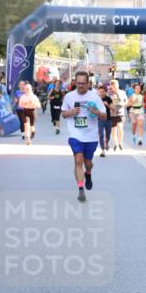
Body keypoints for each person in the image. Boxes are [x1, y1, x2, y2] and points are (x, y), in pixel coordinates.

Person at [61, 71, 107, 202]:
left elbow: (105, 116)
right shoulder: (69, 97)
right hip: (75, 134)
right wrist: (72, 112)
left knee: (88, 163)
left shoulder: (94, 97)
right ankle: (81, 189)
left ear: (88, 83)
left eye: (83, 83)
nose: (80, 86)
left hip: (91, 136)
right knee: (78, 160)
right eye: (78, 83)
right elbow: (63, 114)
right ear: (75, 82)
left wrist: (96, 112)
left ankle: (88, 173)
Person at [95, 84, 113, 157]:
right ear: (98, 92)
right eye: (100, 92)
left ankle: (106, 143)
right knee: (101, 135)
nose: (102, 93)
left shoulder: (108, 99)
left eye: (103, 91)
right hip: (100, 119)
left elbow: (113, 108)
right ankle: (103, 151)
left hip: (108, 119)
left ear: (105, 92)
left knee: (108, 134)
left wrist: (107, 105)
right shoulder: (96, 99)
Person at [109, 80, 125, 150]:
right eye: (113, 87)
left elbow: (126, 100)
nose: (114, 88)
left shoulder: (122, 92)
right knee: (113, 130)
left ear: (118, 85)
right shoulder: (109, 94)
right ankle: (115, 143)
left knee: (120, 127)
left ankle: (120, 142)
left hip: (120, 113)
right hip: (112, 114)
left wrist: (123, 104)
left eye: (115, 86)